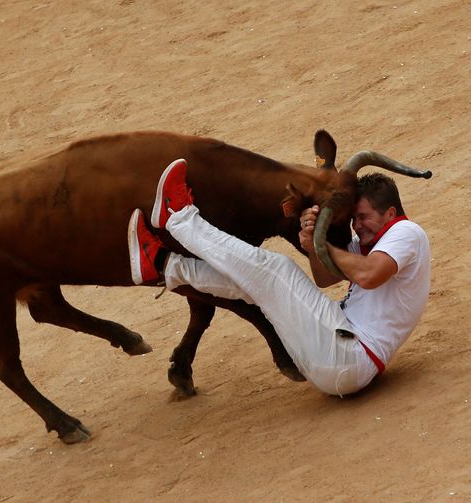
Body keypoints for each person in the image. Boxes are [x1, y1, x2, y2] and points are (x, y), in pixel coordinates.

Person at [127, 159, 430, 396]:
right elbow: (325, 277)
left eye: (363, 218)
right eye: (354, 220)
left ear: (390, 213)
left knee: (277, 272)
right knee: (256, 286)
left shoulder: (406, 232)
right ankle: (163, 265)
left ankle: (178, 218)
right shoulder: (367, 246)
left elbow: (370, 275)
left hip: (349, 355)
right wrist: (313, 242)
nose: (357, 226)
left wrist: (323, 245)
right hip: (339, 358)